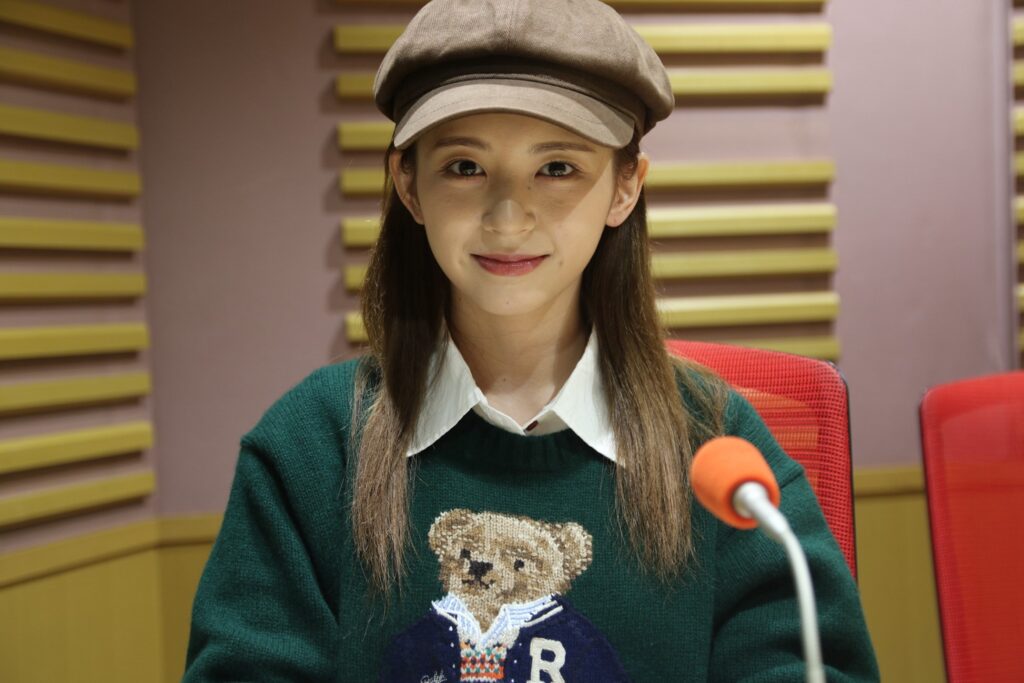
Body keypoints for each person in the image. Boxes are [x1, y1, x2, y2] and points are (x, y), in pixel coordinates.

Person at [182, 0, 880, 680]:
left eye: (557, 168)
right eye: (465, 166)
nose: (508, 218)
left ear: (625, 187)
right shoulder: (312, 448)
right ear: (409, 185)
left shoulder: (721, 452)